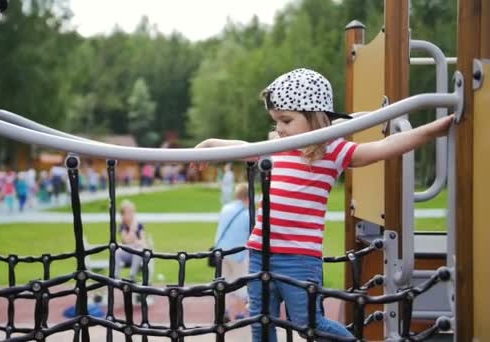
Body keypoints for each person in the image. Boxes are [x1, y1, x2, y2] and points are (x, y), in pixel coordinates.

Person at [192, 68, 454, 341]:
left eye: (286, 120)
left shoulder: (332, 152)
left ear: (315, 119)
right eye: (275, 121)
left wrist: (435, 129)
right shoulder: (277, 146)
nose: (279, 128)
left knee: (310, 323)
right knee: (261, 323)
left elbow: (383, 147)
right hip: (260, 253)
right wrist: (211, 144)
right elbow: (242, 147)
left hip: (299, 259)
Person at [214, 183, 250, 321]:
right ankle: (241, 313)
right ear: (247, 196)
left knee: (224, 283)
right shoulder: (247, 213)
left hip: (221, 251)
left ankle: (225, 312)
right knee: (240, 283)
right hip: (237, 252)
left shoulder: (226, 208)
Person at [115, 200, 154, 281]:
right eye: (128, 213)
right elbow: (126, 240)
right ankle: (116, 276)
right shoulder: (123, 226)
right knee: (117, 252)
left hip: (137, 254)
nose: (131, 215)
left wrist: (136, 241)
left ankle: (132, 276)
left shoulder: (139, 225)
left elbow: (143, 242)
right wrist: (133, 228)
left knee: (138, 251)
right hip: (126, 253)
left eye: (132, 212)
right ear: (123, 215)